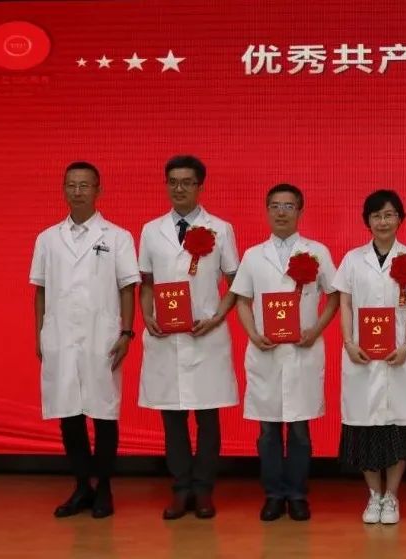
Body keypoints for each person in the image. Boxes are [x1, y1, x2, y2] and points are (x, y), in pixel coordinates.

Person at [29, 161, 139, 519]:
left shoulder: (117, 237)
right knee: (69, 414)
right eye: (71, 185)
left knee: (104, 413)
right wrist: (40, 334)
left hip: (101, 336)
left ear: (98, 190)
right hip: (60, 336)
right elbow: (41, 290)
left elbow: (128, 287)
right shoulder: (47, 238)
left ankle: (104, 487)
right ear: (64, 189)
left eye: (85, 185)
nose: (77, 191)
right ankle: (81, 487)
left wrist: (126, 332)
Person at [138, 155, 240, 520]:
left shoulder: (221, 229)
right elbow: (146, 283)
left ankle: (204, 489)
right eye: (173, 182)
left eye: (187, 182)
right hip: (166, 338)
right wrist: (147, 315)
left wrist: (217, 317)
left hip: (205, 337)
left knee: (208, 418)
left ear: (200, 186)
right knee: (173, 419)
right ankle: (181, 489)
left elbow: (236, 283)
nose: (178, 188)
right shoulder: (151, 230)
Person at [230, 183, 338, 522]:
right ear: (266, 211)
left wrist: (315, 330)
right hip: (266, 353)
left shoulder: (317, 252)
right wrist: (253, 334)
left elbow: (335, 296)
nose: (281, 212)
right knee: (268, 432)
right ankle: (274, 495)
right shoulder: (253, 255)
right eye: (275, 206)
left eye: (288, 206)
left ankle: (298, 494)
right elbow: (242, 300)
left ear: (300, 211)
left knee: (300, 431)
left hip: (302, 351)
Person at [332, 189, 406, 525]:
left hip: (399, 354)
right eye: (376, 215)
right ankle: (373, 495)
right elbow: (345, 304)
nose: (383, 221)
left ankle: (392, 496)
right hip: (361, 354)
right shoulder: (352, 259)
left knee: (399, 425)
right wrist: (348, 342)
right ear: (367, 221)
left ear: (400, 219)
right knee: (364, 426)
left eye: (389, 215)